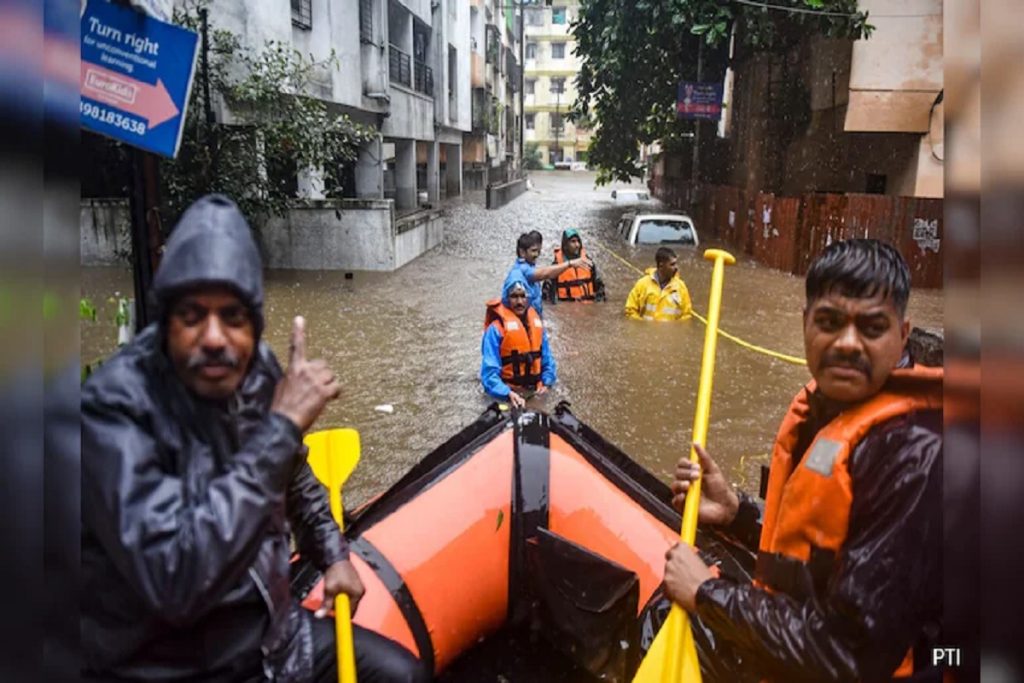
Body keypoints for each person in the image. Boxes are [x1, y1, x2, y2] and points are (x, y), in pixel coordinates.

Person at [81, 195, 428, 683]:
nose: (215, 337)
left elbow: (295, 478)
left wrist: (332, 554)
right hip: (163, 662)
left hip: (269, 637)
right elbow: (174, 581)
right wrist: (281, 428)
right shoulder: (113, 409)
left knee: (401, 675)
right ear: (165, 323)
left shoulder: (258, 372)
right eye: (192, 315)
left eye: (234, 317)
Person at [662, 239, 943, 681]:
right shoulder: (830, 408)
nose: (848, 344)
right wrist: (739, 515)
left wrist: (707, 593)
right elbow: (823, 554)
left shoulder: (914, 452)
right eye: (829, 322)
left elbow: (850, 653)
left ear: (903, 334)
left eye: (871, 328)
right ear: (805, 323)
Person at [480, 271, 557, 409]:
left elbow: (548, 362)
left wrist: (546, 383)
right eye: (514, 296)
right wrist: (507, 393)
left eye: (523, 296)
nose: (520, 302)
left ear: (529, 298)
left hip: (535, 390)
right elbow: (489, 374)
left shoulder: (537, 325)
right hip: (507, 393)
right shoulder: (495, 330)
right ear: (506, 298)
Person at [504, 231, 593, 317]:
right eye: (533, 251)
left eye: (538, 251)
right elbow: (546, 274)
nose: (537, 255)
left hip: (533, 317)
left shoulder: (528, 266)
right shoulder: (522, 269)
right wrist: (570, 264)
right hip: (525, 319)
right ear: (522, 252)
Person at [623, 247, 692, 321]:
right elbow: (630, 311)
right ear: (661, 265)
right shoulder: (642, 284)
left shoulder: (681, 287)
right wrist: (642, 328)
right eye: (672, 264)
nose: (676, 268)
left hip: (669, 332)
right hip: (646, 332)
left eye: (675, 264)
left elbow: (686, 316)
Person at [543, 228, 607, 303]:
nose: (577, 245)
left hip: (588, 307)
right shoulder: (557, 266)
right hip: (567, 309)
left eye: (578, 241)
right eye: (573, 241)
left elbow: (600, 289)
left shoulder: (588, 262)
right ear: (565, 245)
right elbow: (547, 295)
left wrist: (598, 304)